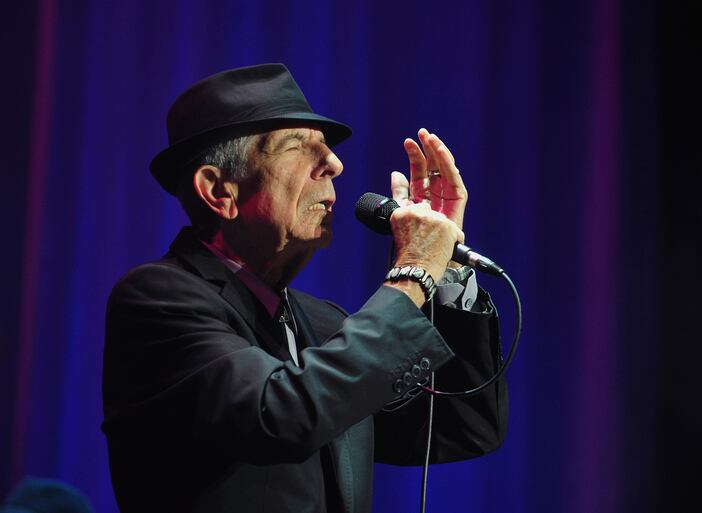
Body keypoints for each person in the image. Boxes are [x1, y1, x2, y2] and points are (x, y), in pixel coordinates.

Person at [102, 63, 507, 513]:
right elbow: (279, 414)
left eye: (326, 147)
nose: (335, 163)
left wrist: (445, 266)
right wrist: (414, 271)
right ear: (219, 191)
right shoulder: (158, 300)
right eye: (296, 146)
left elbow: (461, 427)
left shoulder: (322, 322)